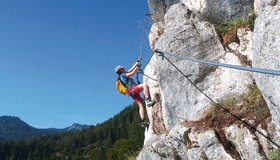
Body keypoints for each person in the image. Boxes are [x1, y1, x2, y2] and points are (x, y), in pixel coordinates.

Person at [115, 61, 155, 126]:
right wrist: (137, 66)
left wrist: (137, 63)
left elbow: (131, 69)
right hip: (133, 88)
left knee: (141, 105)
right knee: (144, 86)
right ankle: (148, 101)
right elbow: (132, 73)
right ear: (120, 70)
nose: (124, 68)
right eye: (122, 68)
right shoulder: (123, 75)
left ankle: (143, 121)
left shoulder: (122, 75)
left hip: (131, 92)